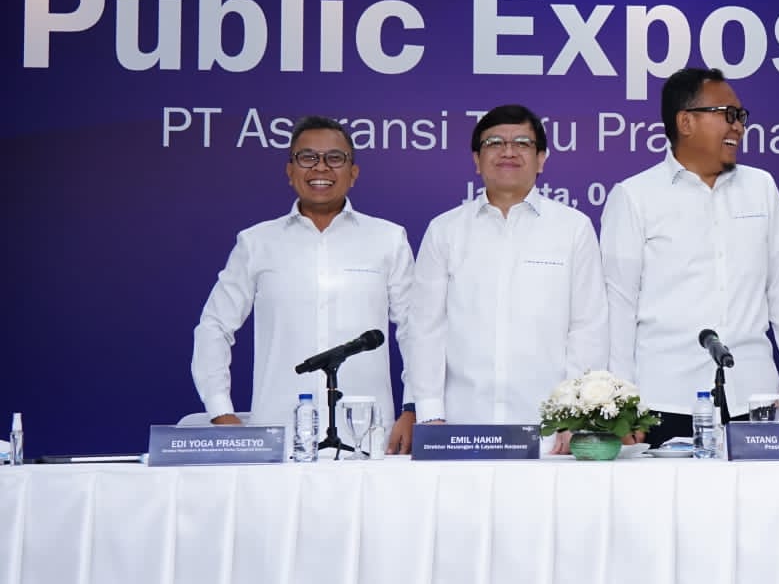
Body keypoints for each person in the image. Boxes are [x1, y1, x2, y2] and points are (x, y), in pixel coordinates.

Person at [600, 67, 779, 444]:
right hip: (664, 400)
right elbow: (618, 307)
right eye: (727, 115)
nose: (739, 127)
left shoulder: (761, 187)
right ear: (686, 122)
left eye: (741, 116)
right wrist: (622, 400)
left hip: (754, 395)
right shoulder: (634, 196)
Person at [393, 105, 607, 455]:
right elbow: (426, 328)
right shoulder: (445, 230)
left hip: (549, 433)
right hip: (459, 429)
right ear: (476, 160)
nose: (508, 151)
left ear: (541, 159)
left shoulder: (574, 228)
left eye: (522, 143)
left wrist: (575, 415)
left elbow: (588, 328)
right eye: (495, 143)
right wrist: (430, 414)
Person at [191, 115, 413, 447]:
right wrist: (221, 411)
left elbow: (415, 329)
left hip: (366, 439)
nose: (321, 167)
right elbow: (214, 326)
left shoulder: (388, 239)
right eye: (307, 157)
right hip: (278, 440)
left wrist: (413, 407)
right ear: (290, 171)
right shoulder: (257, 243)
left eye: (334, 158)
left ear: (353, 173)